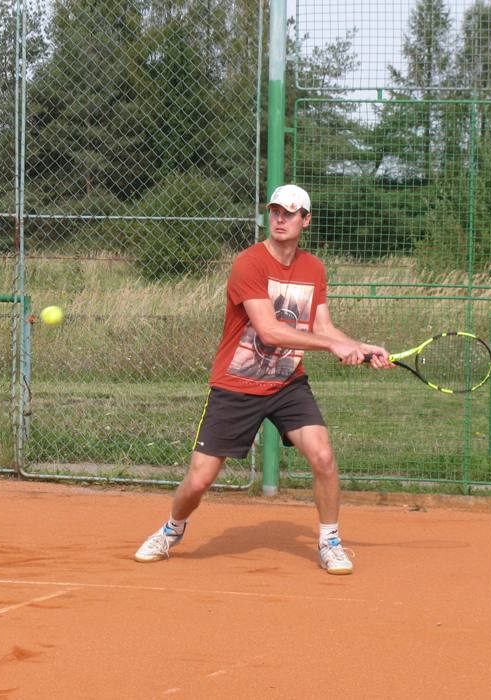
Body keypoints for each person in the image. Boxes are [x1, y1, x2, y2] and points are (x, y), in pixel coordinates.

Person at [134, 184, 394, 575]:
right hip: (236, 384)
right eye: (275, 211)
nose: (280, 219)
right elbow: (269, 331)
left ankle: (330, 541)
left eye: (290, 213)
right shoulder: (249, 263)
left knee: (322, 455)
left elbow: (324, 326)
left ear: (306, 220)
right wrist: (332, 347)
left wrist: (361, 346)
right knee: (200, 480)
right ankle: (172, 528)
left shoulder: (314, 269)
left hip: (288, 384)